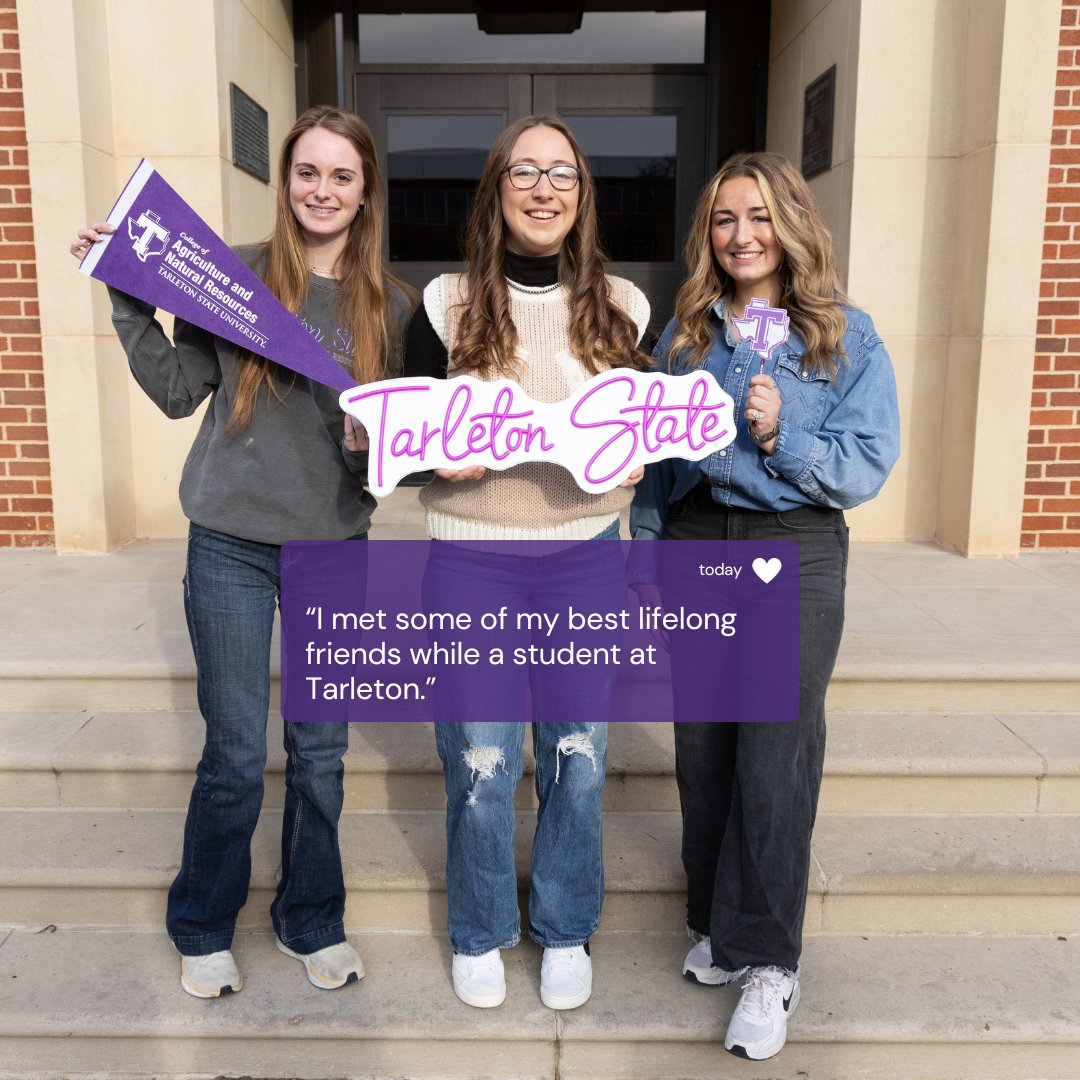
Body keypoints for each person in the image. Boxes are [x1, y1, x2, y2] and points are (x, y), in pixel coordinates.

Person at [70, 106, 415, 999]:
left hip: (333, 548)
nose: (322, 190)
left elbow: (396, 458)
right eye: (308, 171)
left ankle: (311, 918)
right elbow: (179, 391)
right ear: (286, 180)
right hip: (229, 542)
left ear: (365, 190)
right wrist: (125, 293)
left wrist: (370, 450)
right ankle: (202, 924)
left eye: (341, 175)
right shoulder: (228, 274)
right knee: (232, 753)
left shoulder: (394, 306)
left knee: (321, 753)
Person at [631, 151, 900, 1060]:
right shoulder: (685, 337)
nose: (741, 235)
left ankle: (771, 961)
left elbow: (865, 463)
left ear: (790, 225)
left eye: (757, 217)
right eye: (724, 219)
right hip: (696, 540)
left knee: (775, 750)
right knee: (704, 748)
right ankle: (718, 923)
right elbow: (656, 460)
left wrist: (785, 433)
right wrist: (646, 548)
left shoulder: (846, 336)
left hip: (794, 543)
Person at [403, 114, 650, 1011]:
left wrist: (639, 459)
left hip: (586, 557)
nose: (544, 190)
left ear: (582, 194)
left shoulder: (625, 306)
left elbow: (647, 428)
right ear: (497, 190)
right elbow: (403, 442)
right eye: (524, 172)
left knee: (578, 753)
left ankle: (565, 925)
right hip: (472, 561)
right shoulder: (442, 304)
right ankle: (479, 929)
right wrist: (437, 463)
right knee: (481, 761)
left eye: (563, 174)